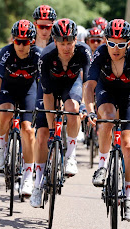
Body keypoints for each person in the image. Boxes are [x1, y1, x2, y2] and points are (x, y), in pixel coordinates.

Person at [85, 19, 130, 222]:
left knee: (128, 146)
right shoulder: (100, 54)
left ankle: (129, 197)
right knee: (107, 116)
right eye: (111, 43)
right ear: (105, 41)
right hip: (106, 92)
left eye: (121, 44)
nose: (115, 48)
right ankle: (102, 165)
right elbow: (89, 87)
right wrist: (89, 111)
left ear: (129, 44)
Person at [30, 19, 91, 208]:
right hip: (49, 89)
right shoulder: (46, 56)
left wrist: (85, 107)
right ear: (54, 41)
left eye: (69, 41)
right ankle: (38, 185)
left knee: (72, 108)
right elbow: (47, 94)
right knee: (41, 135)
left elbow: (88, 84)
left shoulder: (84, 51)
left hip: (71, 84)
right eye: (61, 42)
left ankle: (71, 156)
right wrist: (50, 129)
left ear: (75, 40)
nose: (66, 47)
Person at [0, 20, 40, 196]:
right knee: (6, 111)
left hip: (28, 92)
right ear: (13, 40)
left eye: (25, 42)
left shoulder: (38, 55)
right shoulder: (6, 52)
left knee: (28, 130)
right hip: (8, 90)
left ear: (32, 41)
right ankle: (1, 144)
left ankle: (27, 176)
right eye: (18, 41)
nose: (21, 45)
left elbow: (45, 83)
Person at [30, 5, 57, 206]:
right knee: (41, 135)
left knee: (59, 125)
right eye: (41, 26)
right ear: (35, 25)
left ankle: (61, 153)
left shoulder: (61, 41)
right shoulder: (27, 42)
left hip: (59, 87)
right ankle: (37, 183)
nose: (45, 30)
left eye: (49, 26)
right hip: (38, 89)